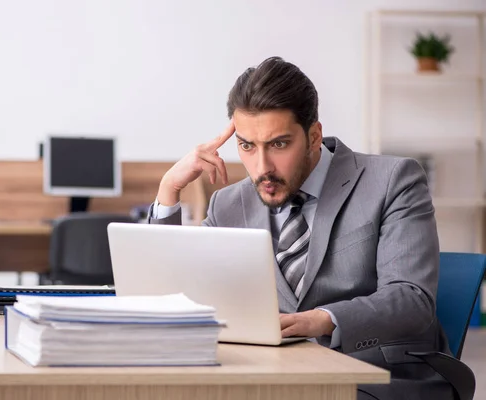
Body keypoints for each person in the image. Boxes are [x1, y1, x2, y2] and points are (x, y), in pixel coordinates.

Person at [147, 56, 455, 400]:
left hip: (381, 375)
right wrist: (168, 191)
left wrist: (324, 319)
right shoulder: (228, 204)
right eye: (247, 146)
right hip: (271, 376)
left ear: (313, 136)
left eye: (278, 144)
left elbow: (411, 300)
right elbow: (177, 297)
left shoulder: (393, 180)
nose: (262, 167)